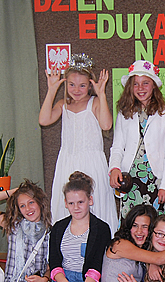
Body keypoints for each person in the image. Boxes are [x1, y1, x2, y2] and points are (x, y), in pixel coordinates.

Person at [40, 53, 119, 235]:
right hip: (67, 162)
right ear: (65, 84)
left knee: (94, 203)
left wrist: (101, 94)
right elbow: (44, 120)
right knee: (68, 205)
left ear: (90, 85)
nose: (76, 90)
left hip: (92, 163)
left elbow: (106, 125)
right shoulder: (63, 104)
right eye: (71, 85)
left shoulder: (95, 102)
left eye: (82, 85)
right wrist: (52, 90)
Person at [108, 60, 165, 218]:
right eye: (136, 84)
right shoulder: (124, 113)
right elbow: (117, 146)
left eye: (145, 83)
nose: (140, 88)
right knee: (130, 222)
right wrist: (114, 168)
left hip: (155, 180)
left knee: (154, 223)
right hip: (129, 179)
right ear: (130, 88)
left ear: (154, 85)